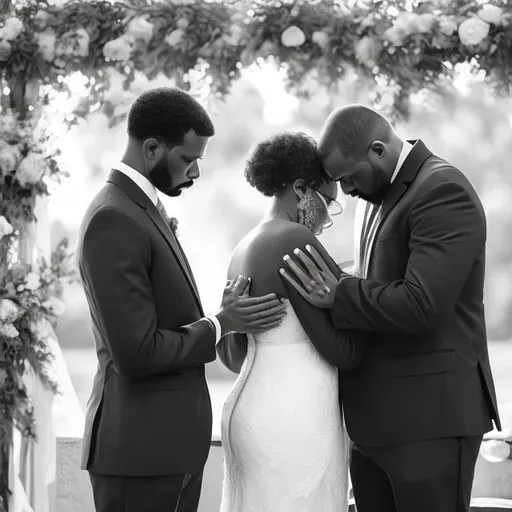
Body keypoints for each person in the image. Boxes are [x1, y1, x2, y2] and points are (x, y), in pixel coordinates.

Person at [280, 104, 501, 512]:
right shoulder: (373, 194)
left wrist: (339, 292)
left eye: (347, 178)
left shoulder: (442, 189)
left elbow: (423, 304)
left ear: (378, 149)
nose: (344, 192)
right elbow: (382, 280)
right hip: (375, 425)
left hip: (429, 422)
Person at [77, 87, 287, 512]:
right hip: (140, 455)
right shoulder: (113, 218)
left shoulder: (140, 210)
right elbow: (137, 353)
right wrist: (221, 324)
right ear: (152, 148)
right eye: (187, 160)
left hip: (167, 451)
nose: (194, 174)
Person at [216, 132, 366, 512]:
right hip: (294, 415)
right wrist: (360, 291)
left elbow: (233, 357)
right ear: (301, 189)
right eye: (328, 201)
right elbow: (342, 351)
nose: (329, 216)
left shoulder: (244, 245)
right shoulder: (294, 238)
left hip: (248, 407)